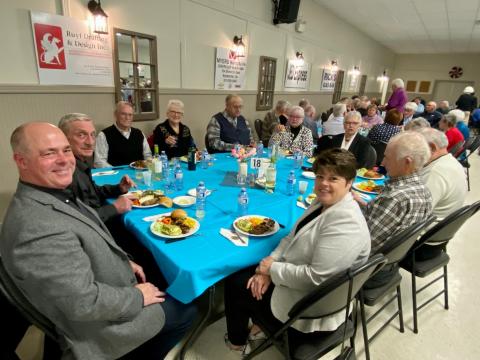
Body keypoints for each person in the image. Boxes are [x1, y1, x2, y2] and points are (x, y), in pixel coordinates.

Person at [1, 122, 195, 359]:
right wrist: (137, 297)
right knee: (186, 311)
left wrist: (124, 261)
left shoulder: (49, 193)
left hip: (100, 285)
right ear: (21, 161)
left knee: (152, 266)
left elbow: (85, 233)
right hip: (94, 328)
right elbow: (83, 303)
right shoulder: (36, 227)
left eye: (65, 150)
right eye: (49, 153)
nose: (64, 160)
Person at [223, 149, 370, 355]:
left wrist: (272, 270)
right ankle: (257, 327)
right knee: (253, 274)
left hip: (308, 307)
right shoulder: (323, 202)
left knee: (236, 283)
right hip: (299, 281)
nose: (323, 184)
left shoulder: (347, 223)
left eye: (333, 178)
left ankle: (237, 341)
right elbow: (291, 237)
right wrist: (268, 265)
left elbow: (315, 279)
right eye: (320, 176)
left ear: (349, 182)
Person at [355, 131, 432, 289]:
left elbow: (362, 246)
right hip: (390, 265)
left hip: (367, 272)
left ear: (407, 162)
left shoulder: (394, 198)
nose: (382, 163)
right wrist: (358, 201)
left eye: (387, 158)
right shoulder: (424, 190)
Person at [59, 113, 134, 224]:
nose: (90, 142)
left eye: (92, 135)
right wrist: (114, 207)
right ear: (63, 138)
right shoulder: (65, 173)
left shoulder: (80, 163)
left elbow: (92, 192)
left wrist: (119, 188)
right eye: (81, 135)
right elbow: (75, 220)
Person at [418, 128, 467, 220]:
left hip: (426, 229)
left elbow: (416, 214)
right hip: (441, 222)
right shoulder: (451, 161)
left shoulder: (434, 172)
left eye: (416, 148)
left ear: (432, 148)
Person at [94, 101, 152, 167]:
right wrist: (117, 172)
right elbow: (99, 162)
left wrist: (146, 166)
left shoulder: (139, 133)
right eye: (123, 114)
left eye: (130, 115)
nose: (127, 118)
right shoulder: (103, 135)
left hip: (139, 174)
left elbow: (148, 155)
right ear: (115, 114)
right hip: (115, 175)